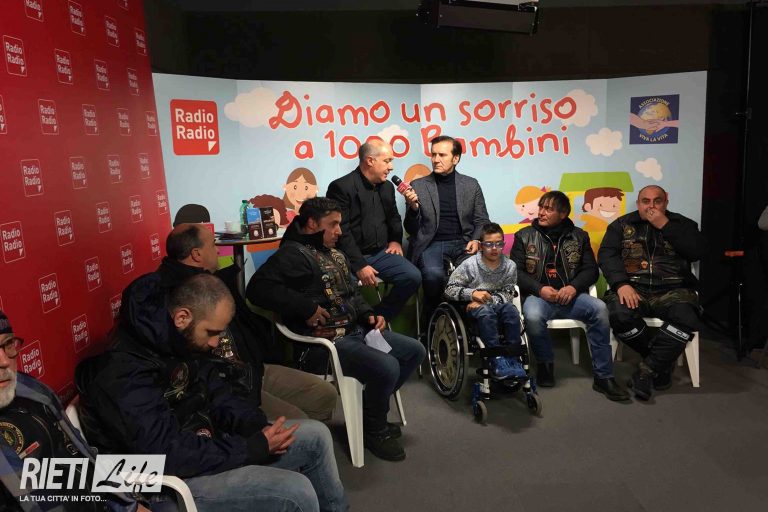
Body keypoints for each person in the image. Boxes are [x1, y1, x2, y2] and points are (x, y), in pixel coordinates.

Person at [76, 274, 347, 512]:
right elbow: (166, 454)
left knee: (316, 436)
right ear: (182, 317)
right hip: (169, 482)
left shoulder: (180, 341)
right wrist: (250, 448)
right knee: (295, 491)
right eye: (211, 332)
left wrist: (255, 427)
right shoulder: (122, 371)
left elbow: (220, 396)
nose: (216, 342)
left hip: (208, 448)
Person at [247, 197, 425, 462]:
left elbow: (352, 295)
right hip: (325, 346)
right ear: (312, 223)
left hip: (357, 333)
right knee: (387, 365)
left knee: (414, 351)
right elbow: (257, 289)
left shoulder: (335, 253)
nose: (339, 231)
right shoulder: (292, 255)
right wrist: (305, 308)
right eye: (333, 225)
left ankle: (370, 413)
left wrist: (369, 315)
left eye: (340, 224)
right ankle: (374, 429)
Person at [144, 223, 337, 422]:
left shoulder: (216, 282)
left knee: (325, 395)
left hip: (253, 368)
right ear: (197, 254)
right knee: (300, 423)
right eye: (213, 245)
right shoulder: (174, 296)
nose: (218, 250)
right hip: (226, 384)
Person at [0, 311, 148, 511]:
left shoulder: (33, 391)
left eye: (8, 344)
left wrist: (128, 504)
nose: (4, 361)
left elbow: (84, 457)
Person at [511, 190, 629, 402]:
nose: (541, 212)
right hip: (539, 297)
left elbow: (591, 270)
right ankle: (545, 364)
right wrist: (540, 289)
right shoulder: (524, 236)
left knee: (600, 309)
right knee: (533, 315)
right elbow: (515, 272)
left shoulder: (580, 236)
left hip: (573, 297)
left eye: (548, 209)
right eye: (541, 207)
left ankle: (604, 376)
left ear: (563, 213)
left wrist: (573, 287)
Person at [598, 185, 707, 401]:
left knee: (686, 317)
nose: (651, 207)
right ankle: (660, 364)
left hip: (674, 290)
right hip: (633, 288)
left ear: (666, 201)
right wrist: (621, 284)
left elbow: (696, 252)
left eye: (657, 201)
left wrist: (665, 225)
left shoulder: (683, 224)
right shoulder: (620, 225)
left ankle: (646, 369)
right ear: (638, 203)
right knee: (618, 315)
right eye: (645, 201)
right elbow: (607, 256)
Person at [326, 140, 421, 321]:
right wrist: (360, 265)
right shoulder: (341, 187)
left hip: (380, 254)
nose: (391, 167)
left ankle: (377, 318)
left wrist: (395, 241)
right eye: (387, 161)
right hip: (348, 258)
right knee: (343, 288)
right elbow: (341, 232)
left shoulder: (387, 187)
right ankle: (356, 325)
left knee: (413, 276)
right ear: (370, 161)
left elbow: (394, 217)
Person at [403, 135, 490, 326]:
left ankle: (465, 324)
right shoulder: (418, 186)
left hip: (463, 243)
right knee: (433, 277)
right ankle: (432, 324)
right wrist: (413, 209)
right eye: (433, 154)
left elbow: (482, 220)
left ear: (455, 158)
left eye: (442, 155)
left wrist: (476, 239)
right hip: (431, 244)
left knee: (473, 275)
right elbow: (411, 229)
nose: (436, 159)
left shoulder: (471, 184)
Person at [444, 223, 526, 379]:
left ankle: (513, 356)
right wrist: (473, 294)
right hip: (472, 310)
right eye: (489, 244)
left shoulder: (510, 266)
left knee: (511, 310)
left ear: (503, 244)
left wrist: (487, 301)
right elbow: (449, 289)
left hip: (498, 305)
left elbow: (509, 292)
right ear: (481, 246)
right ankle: (496, 357)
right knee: (485, 312)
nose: (494, 248)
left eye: (498, 244)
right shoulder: (469, 265)